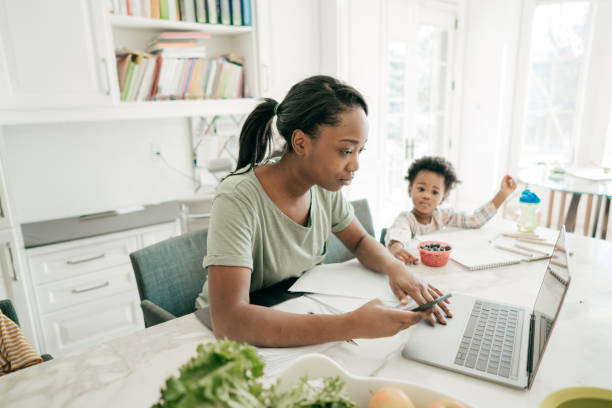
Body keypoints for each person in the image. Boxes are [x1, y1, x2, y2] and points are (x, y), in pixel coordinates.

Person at [196, 75, 451, 347]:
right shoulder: (237, 198)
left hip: (290, 305)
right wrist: (350, 324)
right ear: (301, 143)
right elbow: (229, 321)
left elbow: (360, 240)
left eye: (359, 151)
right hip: (224, 330)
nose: (355, 165)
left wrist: (395, 268)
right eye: (345, 151)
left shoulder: (323, 188)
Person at [384, 156, 517, 264]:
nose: (427, 195)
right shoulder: (406, 219)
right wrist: (396, 246)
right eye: (421, 189)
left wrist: (503, 194)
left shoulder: (443, 216)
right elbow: (399, 233)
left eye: (435, 192)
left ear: (443, 198)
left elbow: (474, 220)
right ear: (410, 190)